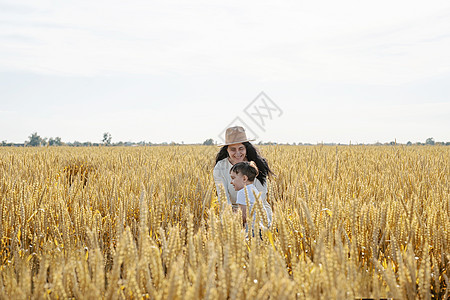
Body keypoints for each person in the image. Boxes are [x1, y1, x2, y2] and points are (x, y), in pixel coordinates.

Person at [213, 126, 273, 223]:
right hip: (232, 210)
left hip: (258, 210)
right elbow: (223, 197)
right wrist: (234, 218)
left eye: (241, 148)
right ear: (227, 150)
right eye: (233, 149)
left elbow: (260, 196)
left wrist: (245, 215)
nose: (237, 153)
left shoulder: (257, 164)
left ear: (246, 148)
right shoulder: (220, 168)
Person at [230, 161, 272, 229]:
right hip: (263, 227)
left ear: (244, 178)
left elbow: (243, 217)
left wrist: (231, 216)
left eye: (233, 178)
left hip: (253, 230)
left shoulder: (243, 192)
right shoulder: (253, 190)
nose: (231, 182)